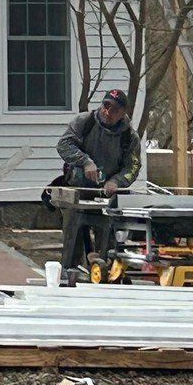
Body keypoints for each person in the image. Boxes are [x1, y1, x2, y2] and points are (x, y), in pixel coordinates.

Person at [53, 89, 141, 272]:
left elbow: (132, 167)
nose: (108, 112)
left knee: (109, 243)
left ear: (123, 113)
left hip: (107, 195)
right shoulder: (84, 122)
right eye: (106, 106)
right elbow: (63, 145)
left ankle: (106, 273)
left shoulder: (129, 137)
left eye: (114, 110)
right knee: (73, 238)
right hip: (79, 189)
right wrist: (85, 161)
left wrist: (117, 181)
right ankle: (70, 272)